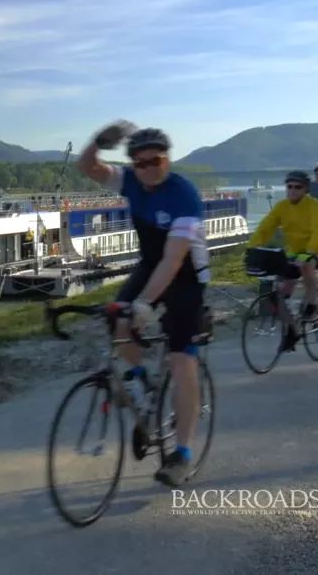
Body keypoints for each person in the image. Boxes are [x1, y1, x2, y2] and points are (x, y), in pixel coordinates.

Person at [77, 120, 208, 488]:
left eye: (157, 160)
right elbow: (87, 167)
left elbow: (174, 259)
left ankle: (181, 453)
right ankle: (140, 383)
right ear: (133, 164)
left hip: (185, 277)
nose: (150, 168)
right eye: (141, 162)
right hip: (150, 266)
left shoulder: (184, 195)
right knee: (118, 323)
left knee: (182, 361)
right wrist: (99, 140)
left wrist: (147, 303)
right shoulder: (131, 181)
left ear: (168, 159)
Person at [246, 170, 318, 351]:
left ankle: (312, 303)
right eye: (289, 186)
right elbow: (266, 226)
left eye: (298, 187)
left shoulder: (315, 206)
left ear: (306, 189)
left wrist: (312, 251)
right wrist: (253, 247)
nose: (292, 190)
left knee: (306, 266)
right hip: (295, 250)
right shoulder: (282, 206)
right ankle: (292, 330)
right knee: (280, 294)